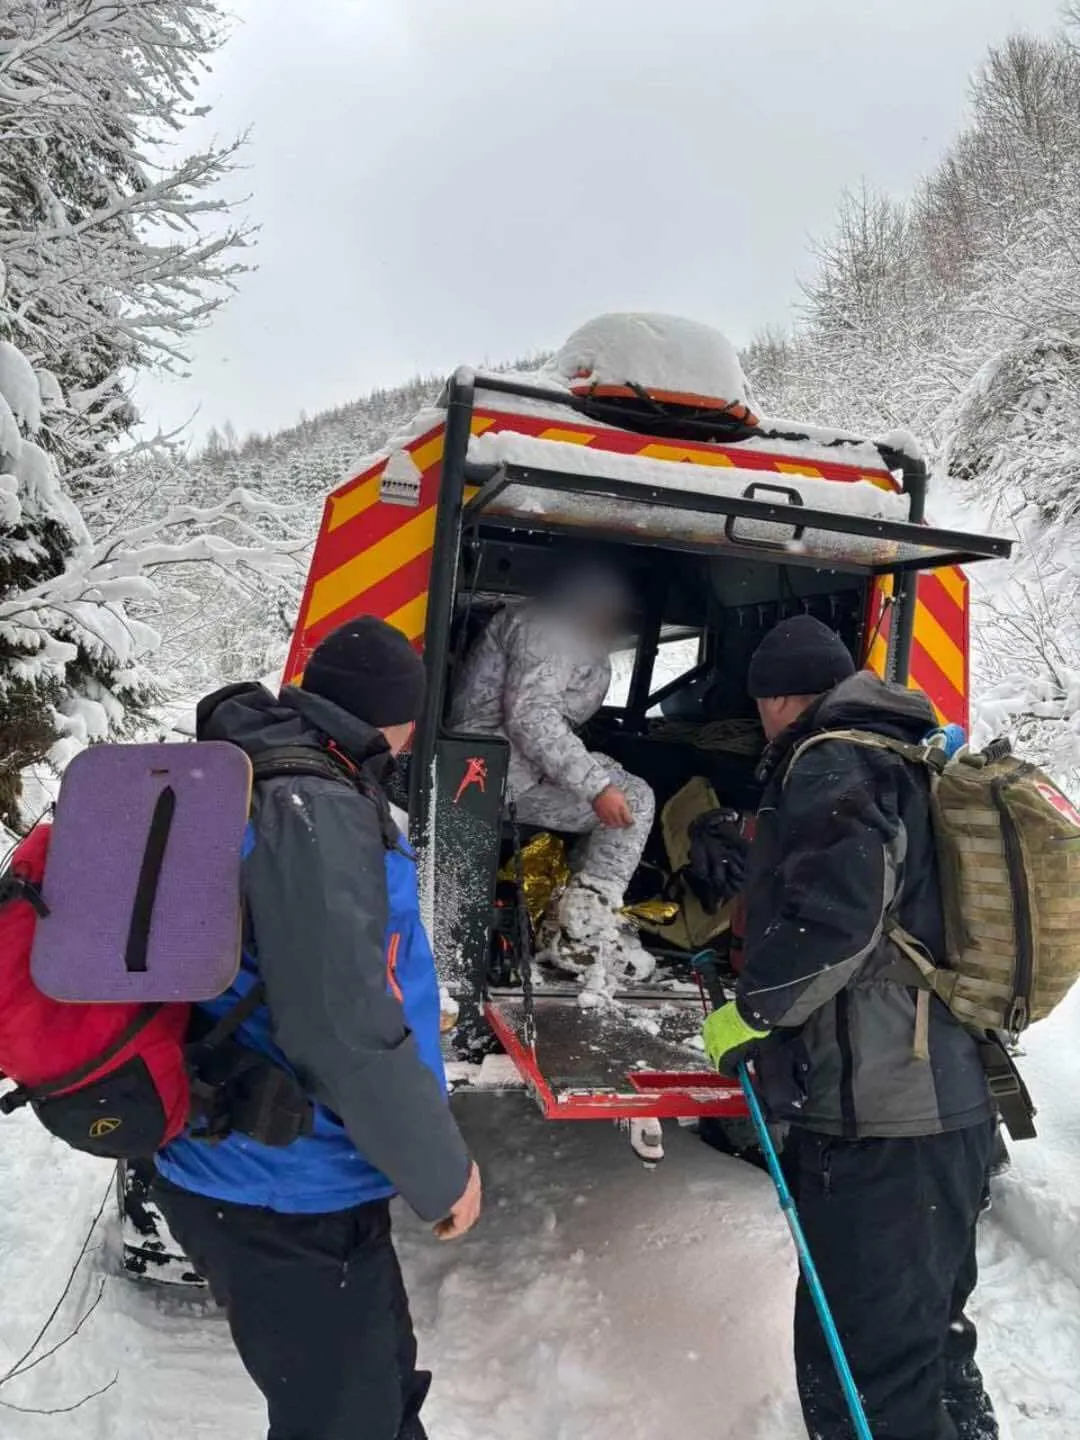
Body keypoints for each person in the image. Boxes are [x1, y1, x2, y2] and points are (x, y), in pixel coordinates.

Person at [153, 616, 481, 1440]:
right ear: (393, 717)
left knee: (376, 1393)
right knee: (348, 1420)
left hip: (281, 1168)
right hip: (282, 1184)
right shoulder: (315, 804)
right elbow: (340, 1027)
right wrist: (441, 1171)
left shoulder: (264, 770)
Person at [702, 614, 998, 1440]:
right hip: (952, 1105)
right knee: (930, 1347)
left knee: (864, 1379)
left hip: (882, 1120)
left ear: (778, 699)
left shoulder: (833, 759)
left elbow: (839, 919)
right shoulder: (912, 755)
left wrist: (752, 1012)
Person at [449, 561, 656, 982]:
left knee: (624, 785)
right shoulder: (550, 629)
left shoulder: (556, 629)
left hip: (505, 766)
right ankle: (579, 934)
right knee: (631, 800)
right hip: (494, 775)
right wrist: (596, 786)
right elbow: (532, 716)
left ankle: (568, 921)